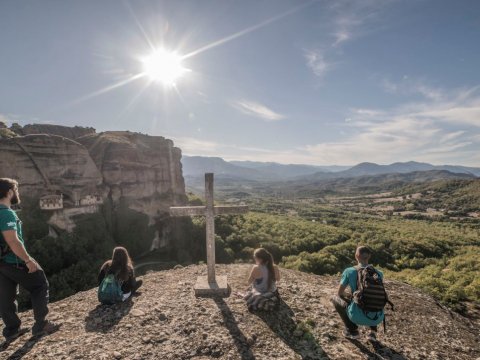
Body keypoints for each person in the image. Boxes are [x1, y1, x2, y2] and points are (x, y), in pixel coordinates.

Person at [0, 178, 60, 341]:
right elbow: (13, 241)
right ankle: (41, 324)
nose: (17, 193)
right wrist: (27, 260)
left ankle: (12, 329)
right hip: (14, 260)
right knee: (40, 284)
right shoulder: (6, 213)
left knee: (6, 296)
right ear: (9, 192)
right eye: (15, 190)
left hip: (1, 264)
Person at [331, 245, 390, 342]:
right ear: (369, 256)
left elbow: (340, 293)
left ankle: (352, 331)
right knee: (373, 296)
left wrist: (351, 296)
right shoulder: (379, 273)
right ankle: (373, 333)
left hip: (356, 317)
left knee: (335, 298)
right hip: (377, 318)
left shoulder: (349, 271)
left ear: (356, 256)